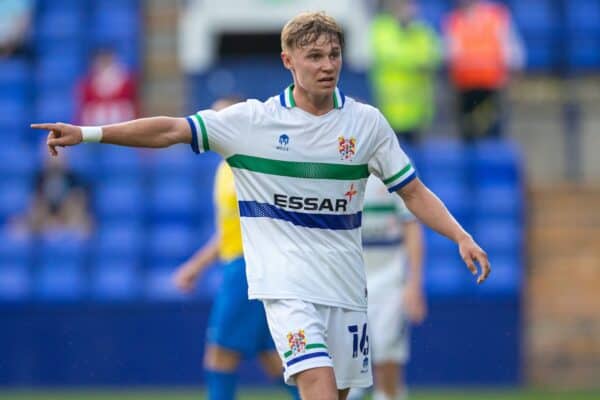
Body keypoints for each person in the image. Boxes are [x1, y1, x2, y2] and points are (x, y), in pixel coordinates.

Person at [32, 12, 491, 400]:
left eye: (333, 55)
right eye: (314, 56)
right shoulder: (253, 122)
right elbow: (170, 129)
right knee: (317, 384)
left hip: (348, 289)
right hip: (287, 288)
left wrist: (461, 236)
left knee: (341, 393)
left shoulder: (366, 125)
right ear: (288, 61)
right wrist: (89, 133)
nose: (327, 65)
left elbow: (412, 191)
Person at [172, 97, 300, 400]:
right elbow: (229, 230)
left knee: (219, 355)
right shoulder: (224, 168)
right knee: (274, 361)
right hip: (240, 263)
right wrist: (196, 266)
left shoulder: (251, 164)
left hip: (248, 268)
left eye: (223, 117)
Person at [348, 176, 425, 400]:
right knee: (347, 364)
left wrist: (414, 284)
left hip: (390, 279)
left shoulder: (392, 167)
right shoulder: (340, 164)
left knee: (386, 355)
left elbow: (412, 228)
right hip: (350, 278)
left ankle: (389, 394)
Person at [443, 0, 524, 141]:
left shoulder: (496, 15)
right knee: (468, 136)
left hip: (491, 89)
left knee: (492, 135)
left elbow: (513, 51)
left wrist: (511, 77)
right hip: (465, 90)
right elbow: (449, 54)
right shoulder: (454, 20)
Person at [370, 0, 441, 144]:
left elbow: (433, 56)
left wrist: (417, 58)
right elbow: (389, 54)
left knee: (418, 159)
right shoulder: (382, 28)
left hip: (419, 110)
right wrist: (417, 60)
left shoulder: (421, 30)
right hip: (390, 109)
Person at [10, 146, 93, 237]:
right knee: (18, 227)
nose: (55, 158)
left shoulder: (77, 180)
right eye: (51, 151)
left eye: (59, 152)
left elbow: (81, 210)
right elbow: (35, 208)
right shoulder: (38, 179)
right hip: (45, 222)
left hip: (69, 221)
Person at [76, 48, 139, 126]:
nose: (105, 65)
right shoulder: (87, 85)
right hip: (95, 129)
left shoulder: (127, 83)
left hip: (122, 129)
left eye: (107, 61)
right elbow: (82, 111)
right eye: (102, 61)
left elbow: (135, 107)